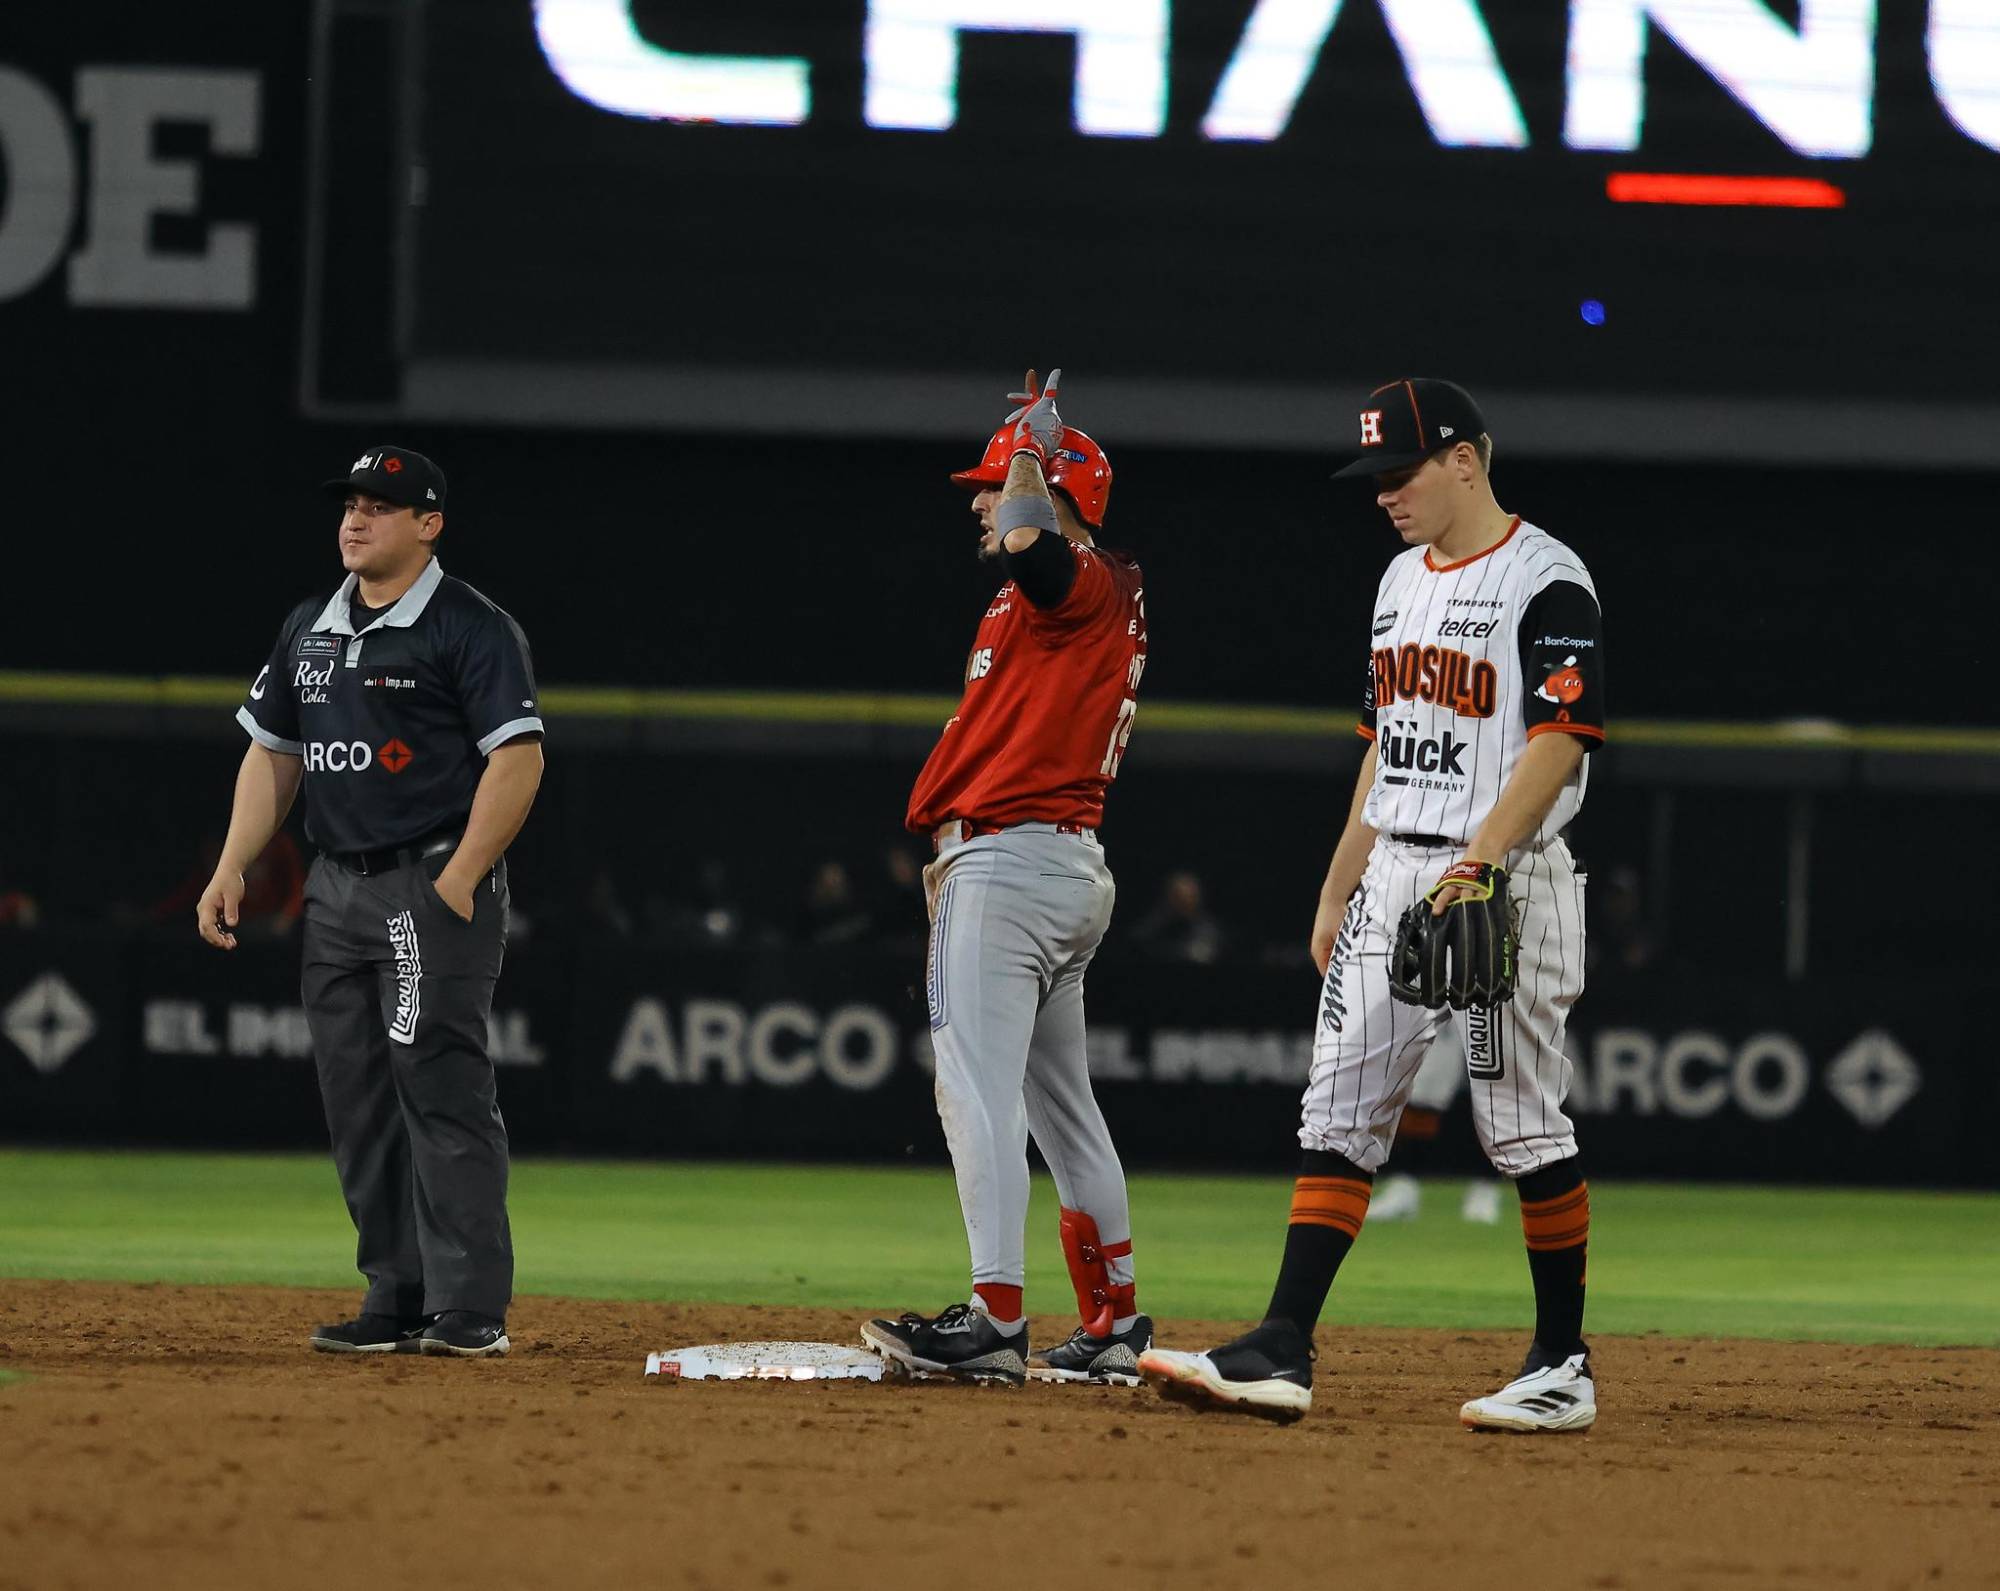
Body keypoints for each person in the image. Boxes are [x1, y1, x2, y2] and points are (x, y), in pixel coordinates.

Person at [1140, 379, 1604, 1432]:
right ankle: (1279, 1344)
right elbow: (1383, 745)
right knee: (1337, 1108)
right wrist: (1338, 877)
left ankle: (1560, 1362)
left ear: (1463, 461)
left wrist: (1475, 861)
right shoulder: (1396, 581)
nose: (1383, 495)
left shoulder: (1548, 578)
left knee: (1521, 1123)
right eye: (1373, 478)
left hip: (1503, 878)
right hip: (1395, 865)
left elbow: (1560, 738)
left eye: (1398, 474)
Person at [198, 445, 544, 1360]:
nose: (355, 519)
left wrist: (460, 877)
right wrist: (234, 861)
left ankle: (469, 1304)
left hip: (424, 877)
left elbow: (519, 758)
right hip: (336, 885)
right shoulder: (309, 624)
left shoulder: (469, 625)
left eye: (381, 505)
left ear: (429, 524)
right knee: (355, 1095)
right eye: (351, 503)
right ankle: (396, 1290)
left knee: (438, 1079)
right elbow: (274, 752)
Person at [861, 370, 1153, 1387]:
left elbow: (1033, 540)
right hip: (1046, 861)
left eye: (996, 481)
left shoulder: (1076, 573)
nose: (982, 500)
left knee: (969, 1085)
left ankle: (991, 1316)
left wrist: (1031, 447)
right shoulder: (1060, 599)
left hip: (1018, 860)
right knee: (1060, 1102)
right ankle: (1112, 1321)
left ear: (1058, 489)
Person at [1368, 1034, 1504, 1224]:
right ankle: (1405, 1186)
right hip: (1442, 1009)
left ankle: (1486, 1184)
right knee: (1426, 1083)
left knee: (1493, 1078)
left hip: (1493, 1006)